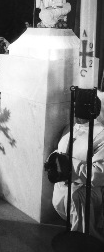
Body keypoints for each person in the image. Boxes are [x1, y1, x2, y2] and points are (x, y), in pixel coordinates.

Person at [48, 94, 104, 243]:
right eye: (74, 108)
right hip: (63, 187)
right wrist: (52, 160)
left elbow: (98, 174)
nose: (75, 112)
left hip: (86, 190)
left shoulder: (101, 134)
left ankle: (81, 241)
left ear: (93, 110)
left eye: (79, 108)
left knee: (75, 196)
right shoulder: (70, 127)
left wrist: (67, 163)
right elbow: (60, 150)